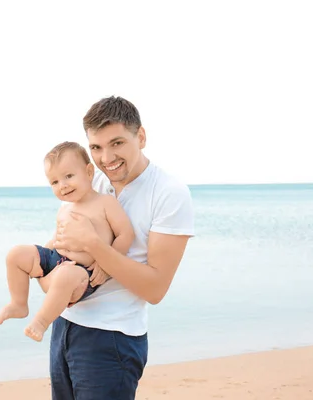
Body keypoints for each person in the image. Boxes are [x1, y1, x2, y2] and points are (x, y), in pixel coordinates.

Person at [49, 96, 195, 400]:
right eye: (96, 148)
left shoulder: (169, 193)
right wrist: (48, 281)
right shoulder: (91, 183)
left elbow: (155, 289)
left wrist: (93, 246)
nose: (106, 158)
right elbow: (57, 250)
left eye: (117, 143)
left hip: (112, 338)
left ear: (140, 137)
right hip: (65, 327)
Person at [0, 141, 135, 342]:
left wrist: (107, 265)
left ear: (88, 172)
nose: (63, 185)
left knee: (65, 275)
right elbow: (57, 238)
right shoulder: (65, 207)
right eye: (55, 182)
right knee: (16, 254)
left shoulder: (105, 203)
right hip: (56, 258)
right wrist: (39, 258)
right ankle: (18, 303)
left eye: (69, 176)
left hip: (82, 271)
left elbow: (126, 235)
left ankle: (41, 322)